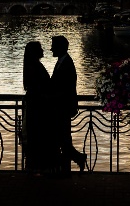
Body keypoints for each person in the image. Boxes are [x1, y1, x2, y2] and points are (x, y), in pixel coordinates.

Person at [50, 35, 87, 176]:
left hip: (63, 107)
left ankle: (66, 168)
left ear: (60, 47)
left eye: (53, 46)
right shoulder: (63, 61)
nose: (51, 49)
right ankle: (74, 162)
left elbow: (64, 88)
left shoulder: (66, 63)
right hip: (62, 106)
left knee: (62, 138)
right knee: (63, 138)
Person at [22, 41, 56, 175]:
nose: (43, 50)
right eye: (40, 48)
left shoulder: (32, 65)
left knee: (34, 136)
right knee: (37, 136)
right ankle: (38, 166)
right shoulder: (35, 66)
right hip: (38, 108)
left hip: (35, 106)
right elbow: (40, 87)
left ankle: (34, 166)